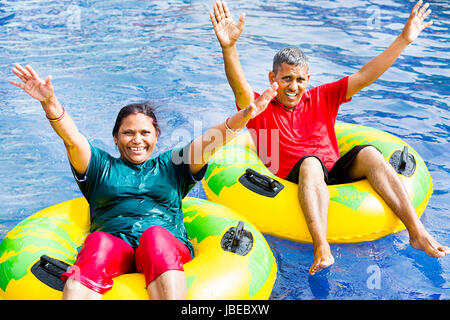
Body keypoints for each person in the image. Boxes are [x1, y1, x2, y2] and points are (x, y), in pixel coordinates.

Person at [210, 0, 449, 275]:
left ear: (308, 79)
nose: (293, 86)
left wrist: (404, 39)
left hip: (333, 171)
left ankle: (417, 232)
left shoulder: (322, 96)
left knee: (370, 153)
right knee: (311, 163)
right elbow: (239, 86)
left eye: (300, 79)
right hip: (293, 178)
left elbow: (366, 75)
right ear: (273, 78)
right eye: (286, 78)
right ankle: (321, 246)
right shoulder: (260, 106)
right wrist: (229, 48)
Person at [10, 63, 278, 299]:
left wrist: (245, 115)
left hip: (164, 246)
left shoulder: (173, 165)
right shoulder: (99, 166)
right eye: (128, 133)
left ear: (156, 136)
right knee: (99, 242)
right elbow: (72, 137)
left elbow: (209, 141)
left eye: (144, 132)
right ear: (116, 138)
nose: (137, 139)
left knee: (154, 238)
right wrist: (49, 104)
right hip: (115, 246)